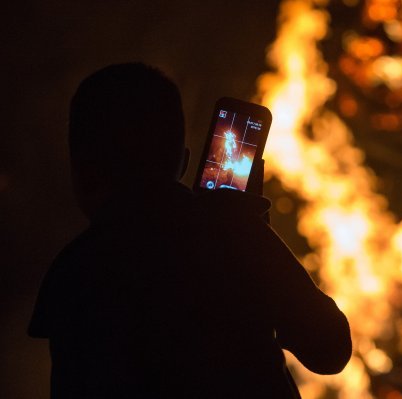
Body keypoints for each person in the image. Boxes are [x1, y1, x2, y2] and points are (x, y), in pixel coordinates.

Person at [28, 63, 352, 398]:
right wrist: (254, 237)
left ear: (81, 169)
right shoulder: (231, 232)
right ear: (182, 162)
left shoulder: (74, 271)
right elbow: (330, 349)